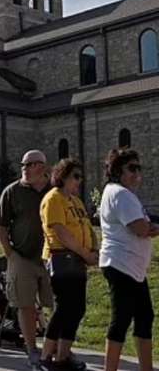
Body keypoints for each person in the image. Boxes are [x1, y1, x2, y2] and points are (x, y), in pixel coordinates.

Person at [0, 149, 54, 370]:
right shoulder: (13, 191)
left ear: (41, 167)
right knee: (25, 305)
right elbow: (0, 224)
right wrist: (10, 253)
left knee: (55, 305)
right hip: (22, 257)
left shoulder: (55, 190)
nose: (24, 169)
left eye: (28, 165)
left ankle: (56, 348)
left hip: (51, 257)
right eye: (22, 165)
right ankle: (32, 350)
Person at [98, 148, 158, 371]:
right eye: (131, 168)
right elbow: (141, 228)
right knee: (121, 320)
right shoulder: (121, 194)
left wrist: (151, 227)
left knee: (144, 317)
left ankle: (147, 368)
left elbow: (144, 225)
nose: (136, 173)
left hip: (130, 267)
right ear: (117, 171)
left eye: (138, 168)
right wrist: (153, 228)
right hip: (121, 264)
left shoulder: (117, 192)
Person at [38, 158, 97, 370]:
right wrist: (84, 252)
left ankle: (62, 357)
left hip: (79, 260)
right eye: (75, 176)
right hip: (62, 259)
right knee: (64, 308)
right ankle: (45, 356)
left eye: (81, 177)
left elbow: (87, 228)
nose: (79, 181)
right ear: (62, 177)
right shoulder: (53, 199)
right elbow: (61, 232)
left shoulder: (76, 201)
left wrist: (94, 251)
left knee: (77, 309)